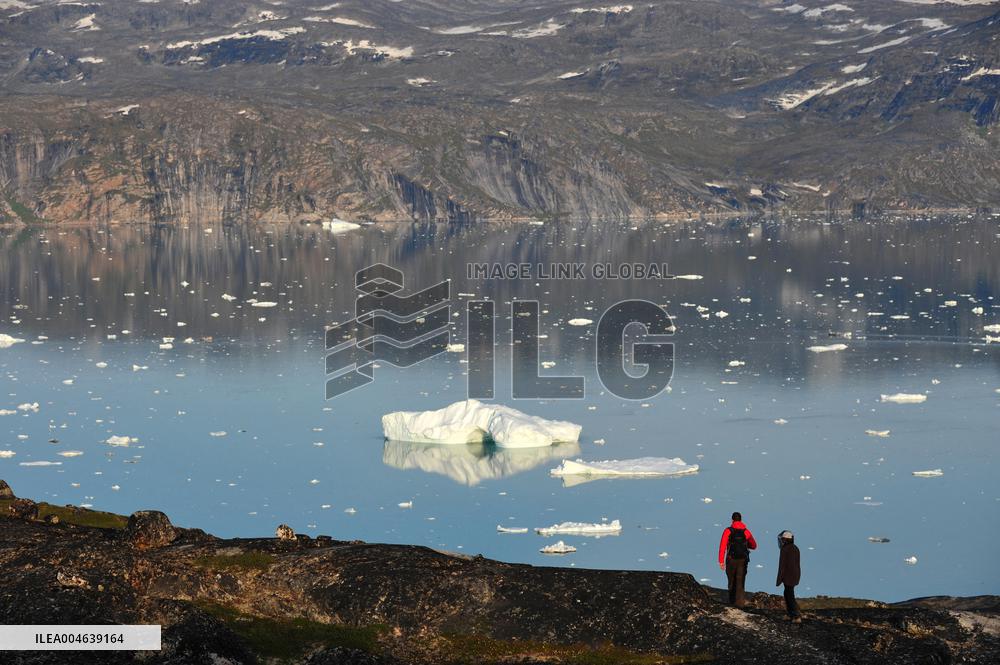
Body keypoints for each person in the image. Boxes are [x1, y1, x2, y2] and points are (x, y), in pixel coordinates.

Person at [718, 511, 757, 607]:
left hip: (731, 560)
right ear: (741, 520)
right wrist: (746, 545)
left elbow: (722, 546)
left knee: (731, 581)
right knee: (740, 581)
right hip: (743, 560)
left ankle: (732, 602)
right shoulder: (746, 532)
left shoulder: (728, 531)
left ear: (732, 520)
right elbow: (754, 545)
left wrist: (721, 561)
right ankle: (739, 604)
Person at [776, 530, 801, 623]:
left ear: (785, 540)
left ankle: (795, 615)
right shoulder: (795, 548)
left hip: (788, 576)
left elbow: (782, 566)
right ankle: (791, 614)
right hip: (795, 575)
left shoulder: (785, 549)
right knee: (788, 593)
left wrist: (779, 579)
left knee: (789, 595)